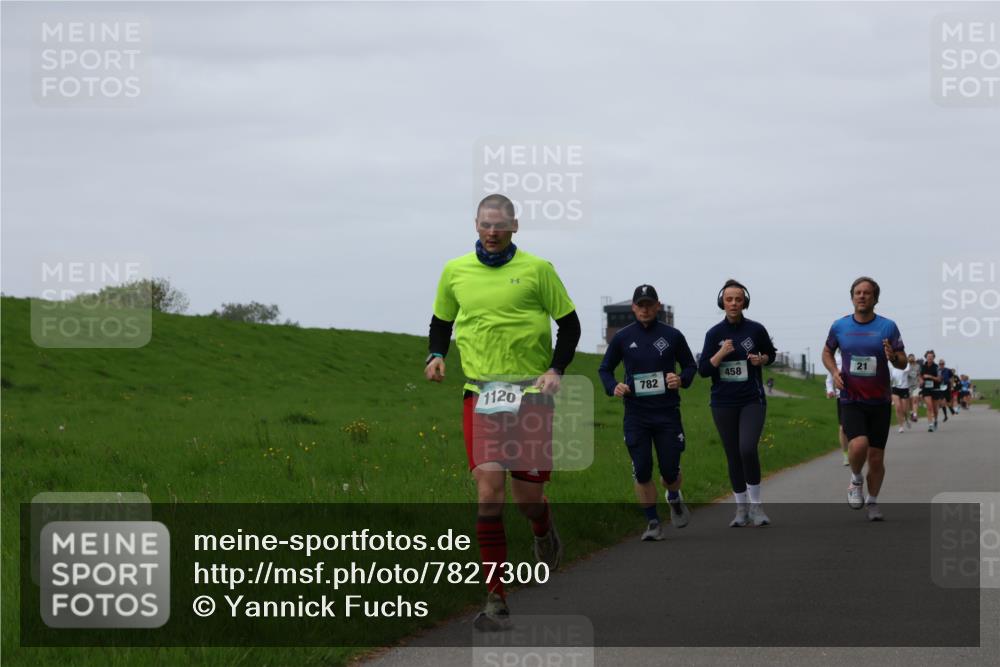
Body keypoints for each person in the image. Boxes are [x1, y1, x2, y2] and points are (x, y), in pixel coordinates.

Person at [425, 193, 581, 631]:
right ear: (475, 225)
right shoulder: (455, 271)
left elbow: (569, 324)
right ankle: (496, 597)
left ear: (515, 226)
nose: (491, 232)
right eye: (484, 224)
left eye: (500, 225)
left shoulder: (537, 269)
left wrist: (556, 369)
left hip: (530, 396)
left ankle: (543, 529)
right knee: (489, 490)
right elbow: (442, 321)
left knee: (527, 500)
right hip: (482, 395)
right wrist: (435, 355)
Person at [598, 284, 697, 541]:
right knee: (641, 469)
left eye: (649, 305)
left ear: (657, 306)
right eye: (640, 305)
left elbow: (689, 365)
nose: (644, 309)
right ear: (633, 308)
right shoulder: (622, 337)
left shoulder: (673, 336)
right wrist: (613, 386)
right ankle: (653, 523)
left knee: (669, 472)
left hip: (666, 414)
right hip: (636, 414)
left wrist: (681, 379)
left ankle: (674, 496)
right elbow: (605, 369)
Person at [822, 276, 907, 522]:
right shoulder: (840, 326)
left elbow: (902, 360)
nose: (862, 296)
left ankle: (873, 502)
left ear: (875, 298)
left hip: (879, 400)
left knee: (877, 457)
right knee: (858, 444)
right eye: (857, 292)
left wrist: (893, 357)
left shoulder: (888, 326)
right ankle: (856, 479)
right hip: (851, 397)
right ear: (852, 297)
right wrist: (834, 372)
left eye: (867, 293)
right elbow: (827, 351)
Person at [699, 279, 777, 527]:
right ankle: (740, 509)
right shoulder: (714, 334)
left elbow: (771, 354)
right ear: (722, 301)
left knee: (747, 448)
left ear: (745, 302)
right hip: (723, 402)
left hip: (751, 399)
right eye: (729, 299)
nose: (733, 303)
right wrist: (720, 354)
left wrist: (760, 359)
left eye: (738, 299)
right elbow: (702, 371)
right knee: (732, 454)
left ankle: (756, 507)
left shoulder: (755, 330)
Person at [825, 350, 849, 465]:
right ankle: (846, 454)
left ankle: (859, 451)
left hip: (859, 396)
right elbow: (829, 379)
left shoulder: (857, 355)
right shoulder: (835, 360)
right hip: (842, 397)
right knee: (843, 428)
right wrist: (830, 390)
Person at [919, 351, 941, 431]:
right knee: (929, 406)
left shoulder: (937, 367)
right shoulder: (922, 366)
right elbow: (920, 375)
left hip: (935, 388)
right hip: (926, 389)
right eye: (928, 356)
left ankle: (935, 420)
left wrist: (930, 376)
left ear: (933, 358)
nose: (930, 358)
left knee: (935, 409)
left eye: (931, 357)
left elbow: (939, 379)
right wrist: (921, 380)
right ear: (926, 357)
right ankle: (930, 425)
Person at [890, 361, 911, 434]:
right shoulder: (891, 366)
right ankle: (901, 426)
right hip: (895, 388)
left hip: (904, 388)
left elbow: (907, 370)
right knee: (898, 408)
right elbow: (890, 377)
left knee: (904, 409)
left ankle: (906, 418)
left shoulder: (906, 364)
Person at [906, 353, 921, 421]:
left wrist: (920, 381)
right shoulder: (906, 366)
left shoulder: (917, 366)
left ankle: (915, 415)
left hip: (916, 385)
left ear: (914, 358)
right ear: (908, 358)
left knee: (915, 399)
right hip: (907, 386)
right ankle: (911, 412)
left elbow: (919, 375)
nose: (911, 359)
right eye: (910, 357)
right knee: (909, 400)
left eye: (913, 357)